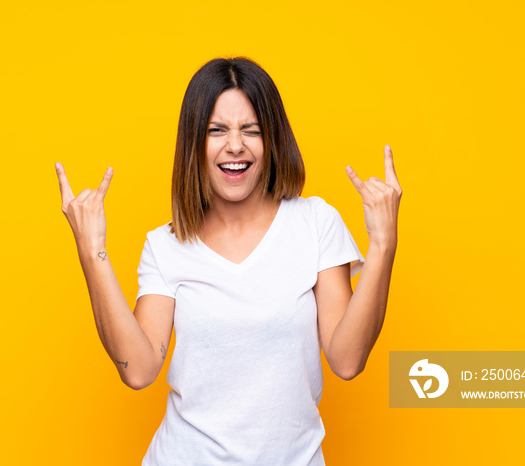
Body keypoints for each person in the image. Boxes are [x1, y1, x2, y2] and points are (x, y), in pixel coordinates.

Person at [55, 57, 402, 465]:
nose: (234, 145)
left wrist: (382, 243)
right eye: (216, 130)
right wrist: (92, 249)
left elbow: (347, 360)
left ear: (271, 140)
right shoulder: (166, 245)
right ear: (194, 144)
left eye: (250, 130)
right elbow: (138, 370)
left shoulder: (314, 223)